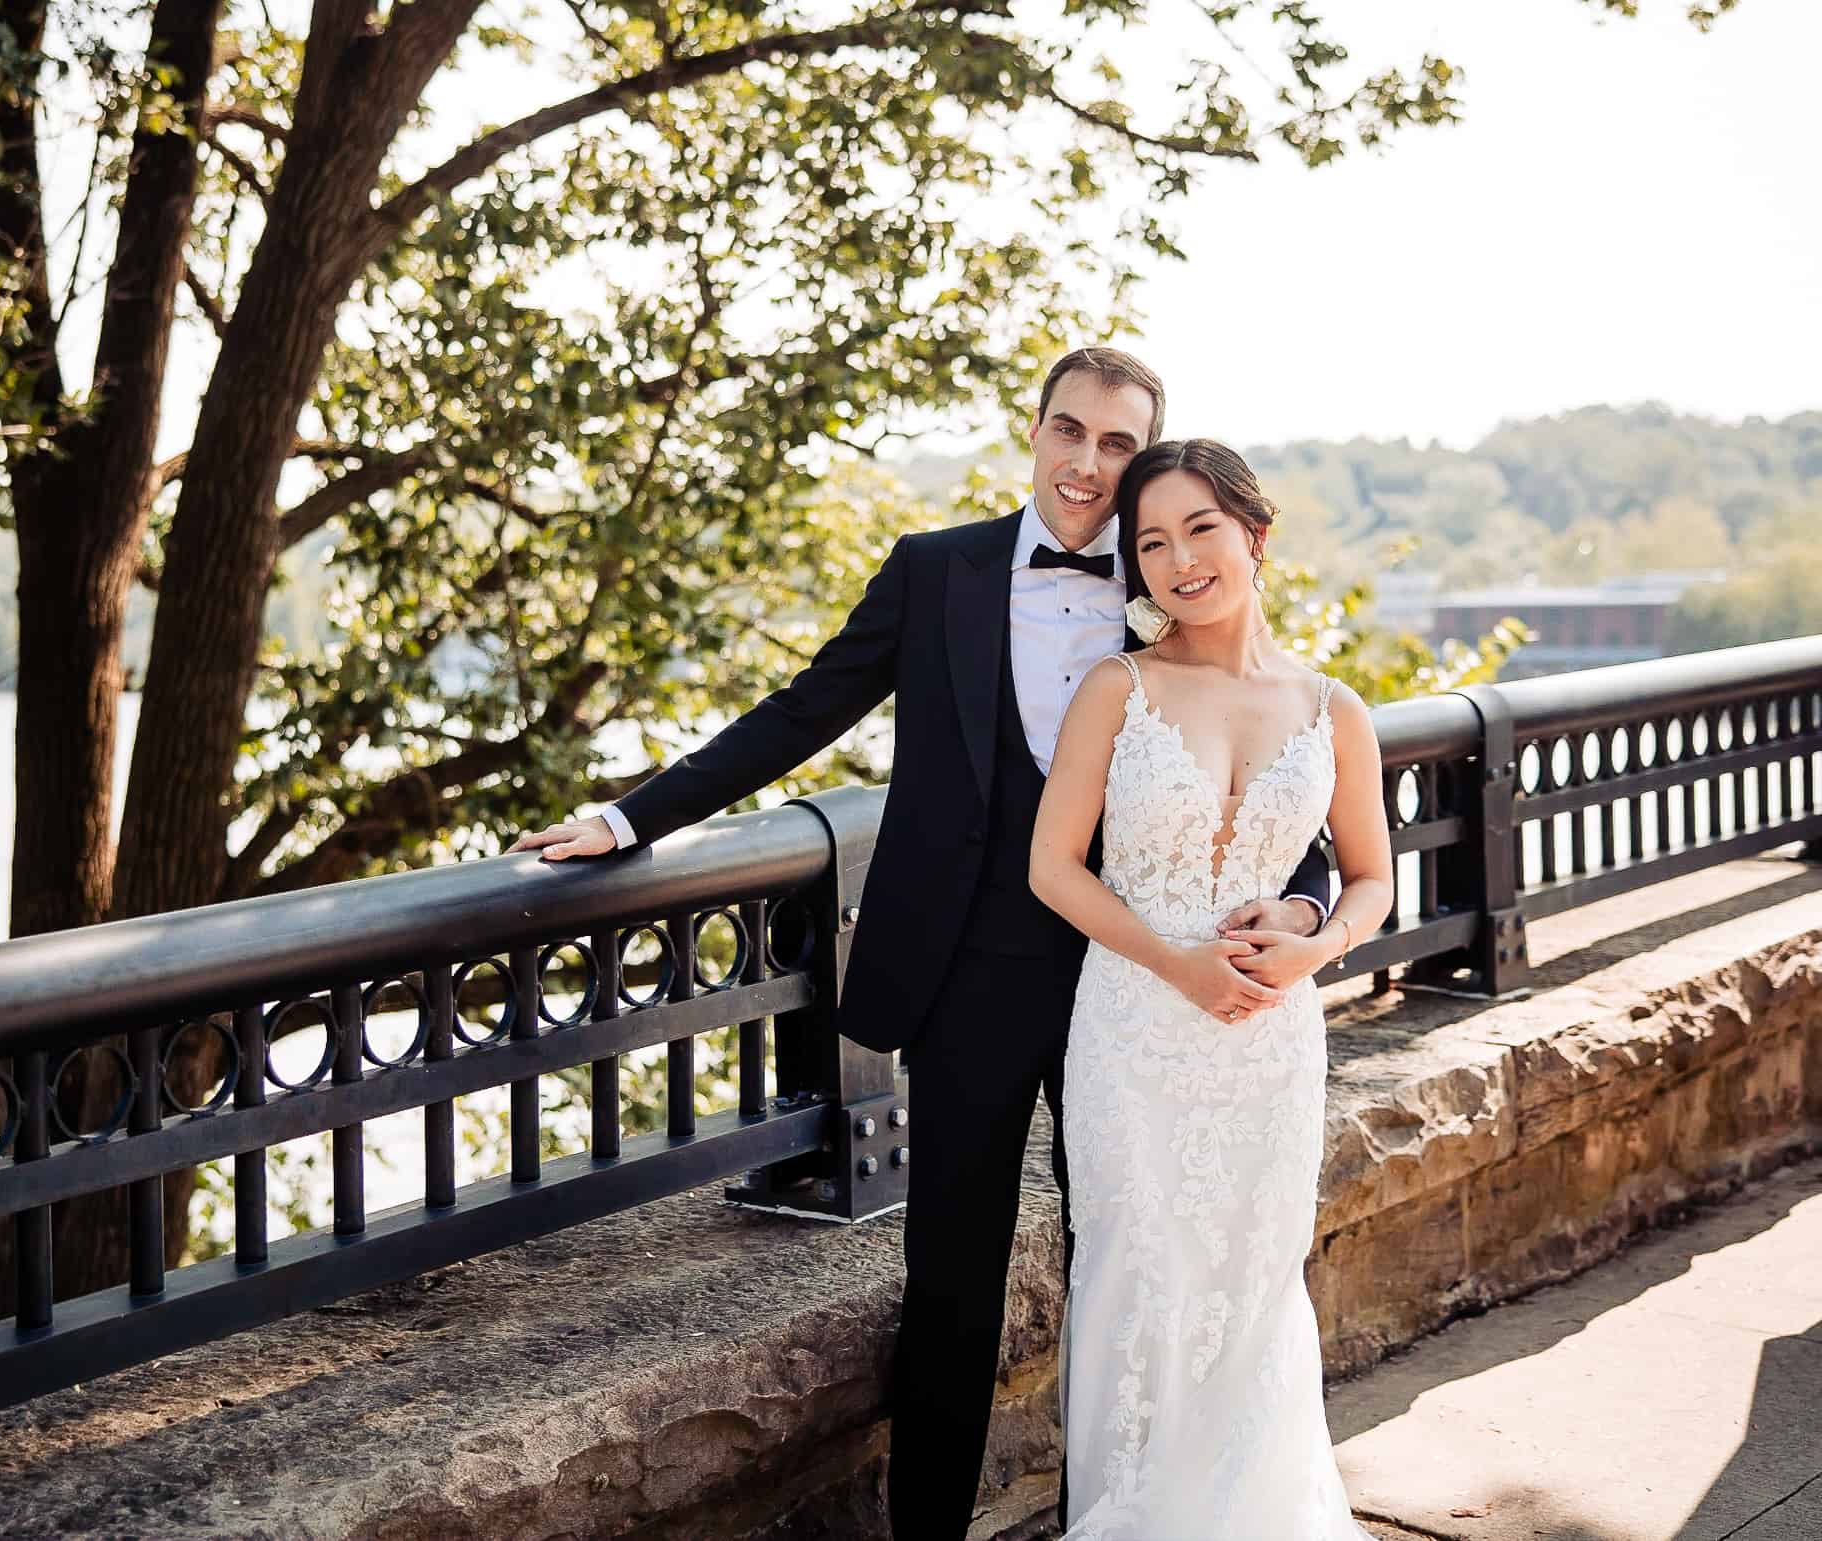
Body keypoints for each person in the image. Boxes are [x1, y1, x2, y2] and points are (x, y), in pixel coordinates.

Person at [512, 350, 1336, 1539]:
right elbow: (802, 711)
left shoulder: (1176, 576)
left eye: (1116, 444)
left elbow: (1271, 777)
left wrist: (1305, 908)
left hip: (1142, 983)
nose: (1086, 464)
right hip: (970, 970)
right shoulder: (936, 569)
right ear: (1034, 429)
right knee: (953, 1276)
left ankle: (1119, 1514)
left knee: (1138, 1269)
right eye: (1069, 431)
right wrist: (629, 815)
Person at [1027, 438, 1392, 1538]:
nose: (1179, 558)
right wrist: (1178, 962)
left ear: (1253, 535)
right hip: (1135, 1031)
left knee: (1251, 1282)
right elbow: (1052, 868)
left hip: (1267, 1044)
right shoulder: (1117, 686)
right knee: (1139, 1279)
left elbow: (1372, 879)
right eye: (1150, 542)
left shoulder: (1334, 709)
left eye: (1199, 528)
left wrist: (1311, 942)